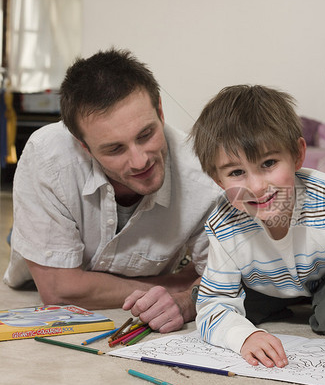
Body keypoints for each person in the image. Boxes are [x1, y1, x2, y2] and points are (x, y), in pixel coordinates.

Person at [3, 49, 221, 333]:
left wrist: (186, 300)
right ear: (84, 146)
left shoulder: (204, 175)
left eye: (146, 135)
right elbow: (59, 291)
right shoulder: (47, 156)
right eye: (115, 149)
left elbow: (220, 277)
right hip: (43, 258)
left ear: (160, 110)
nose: (140, 160)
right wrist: (176, 284)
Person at [191, 84, 325, 368]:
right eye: (236, 172)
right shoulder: (223, 222)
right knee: (209, 306)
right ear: (218, 181)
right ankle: (258, 302)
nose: (257, 186)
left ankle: (310, 303)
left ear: (298, 154)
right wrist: (243, 337)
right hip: (259, 284)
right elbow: (215, 305)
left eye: (269, 163)